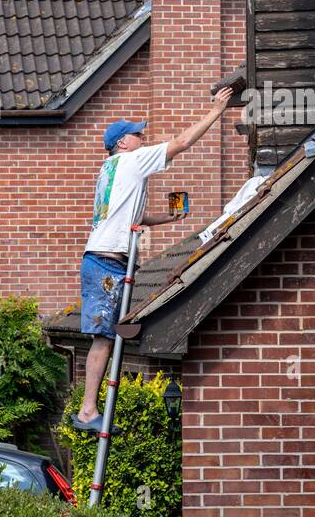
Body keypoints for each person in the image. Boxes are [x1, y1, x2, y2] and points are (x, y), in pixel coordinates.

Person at [70, 86, 233, 431]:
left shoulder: (112, 170)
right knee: (102, 337)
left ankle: (91, 409)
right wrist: (217, 112)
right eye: (136, 133)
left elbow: (133, 217)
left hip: (104, 260)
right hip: (105, 263)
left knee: (110, 335)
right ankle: (87, 411)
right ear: (121, 143)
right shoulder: (131, 160)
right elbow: (182, 142)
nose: (142, 137)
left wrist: (166, 219)